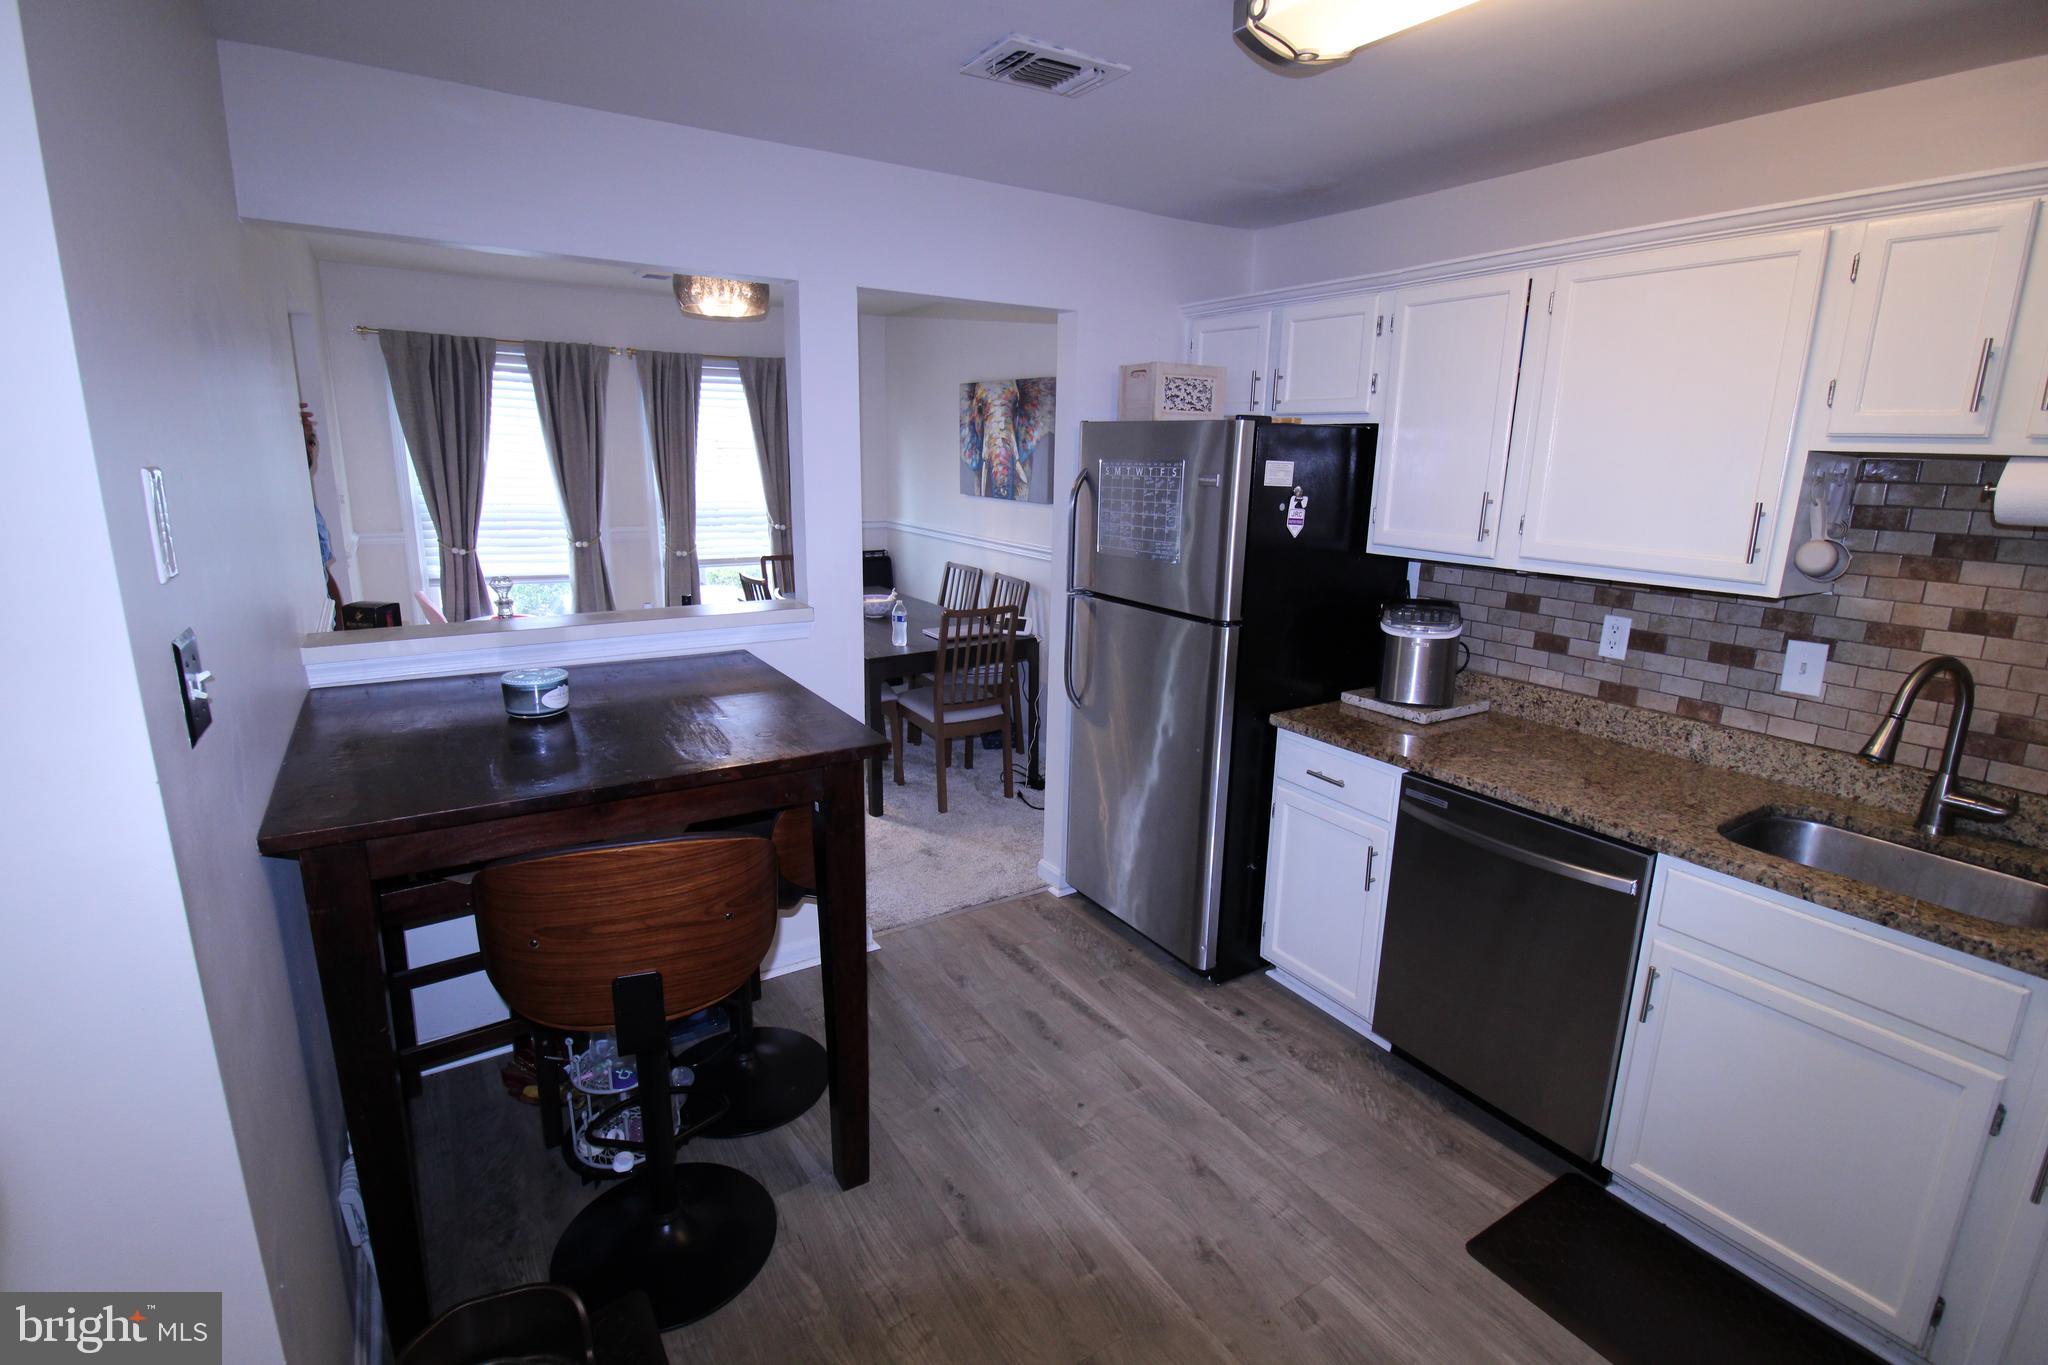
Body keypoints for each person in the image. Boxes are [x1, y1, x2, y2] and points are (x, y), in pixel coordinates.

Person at [302, 402, 344, 623]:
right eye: (302, 440)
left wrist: (340, 618)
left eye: (311, 442)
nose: (309, 448)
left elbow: (324, 572)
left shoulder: (307, 506)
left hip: (326, 616)